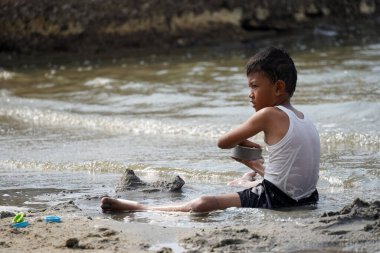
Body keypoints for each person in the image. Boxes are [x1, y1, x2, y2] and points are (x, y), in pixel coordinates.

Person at [101, 46, 320, 213]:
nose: (250, 93)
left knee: (203, 204)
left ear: (278, 87)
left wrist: (240, 142)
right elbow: (294, 175)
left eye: (254, 86)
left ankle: (142, 209)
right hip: (309, 198)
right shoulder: (305, 119)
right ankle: (250, 178)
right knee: (252, 176)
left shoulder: (268, 114)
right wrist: (252, 161)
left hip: (276, 198)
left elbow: (223, 142)